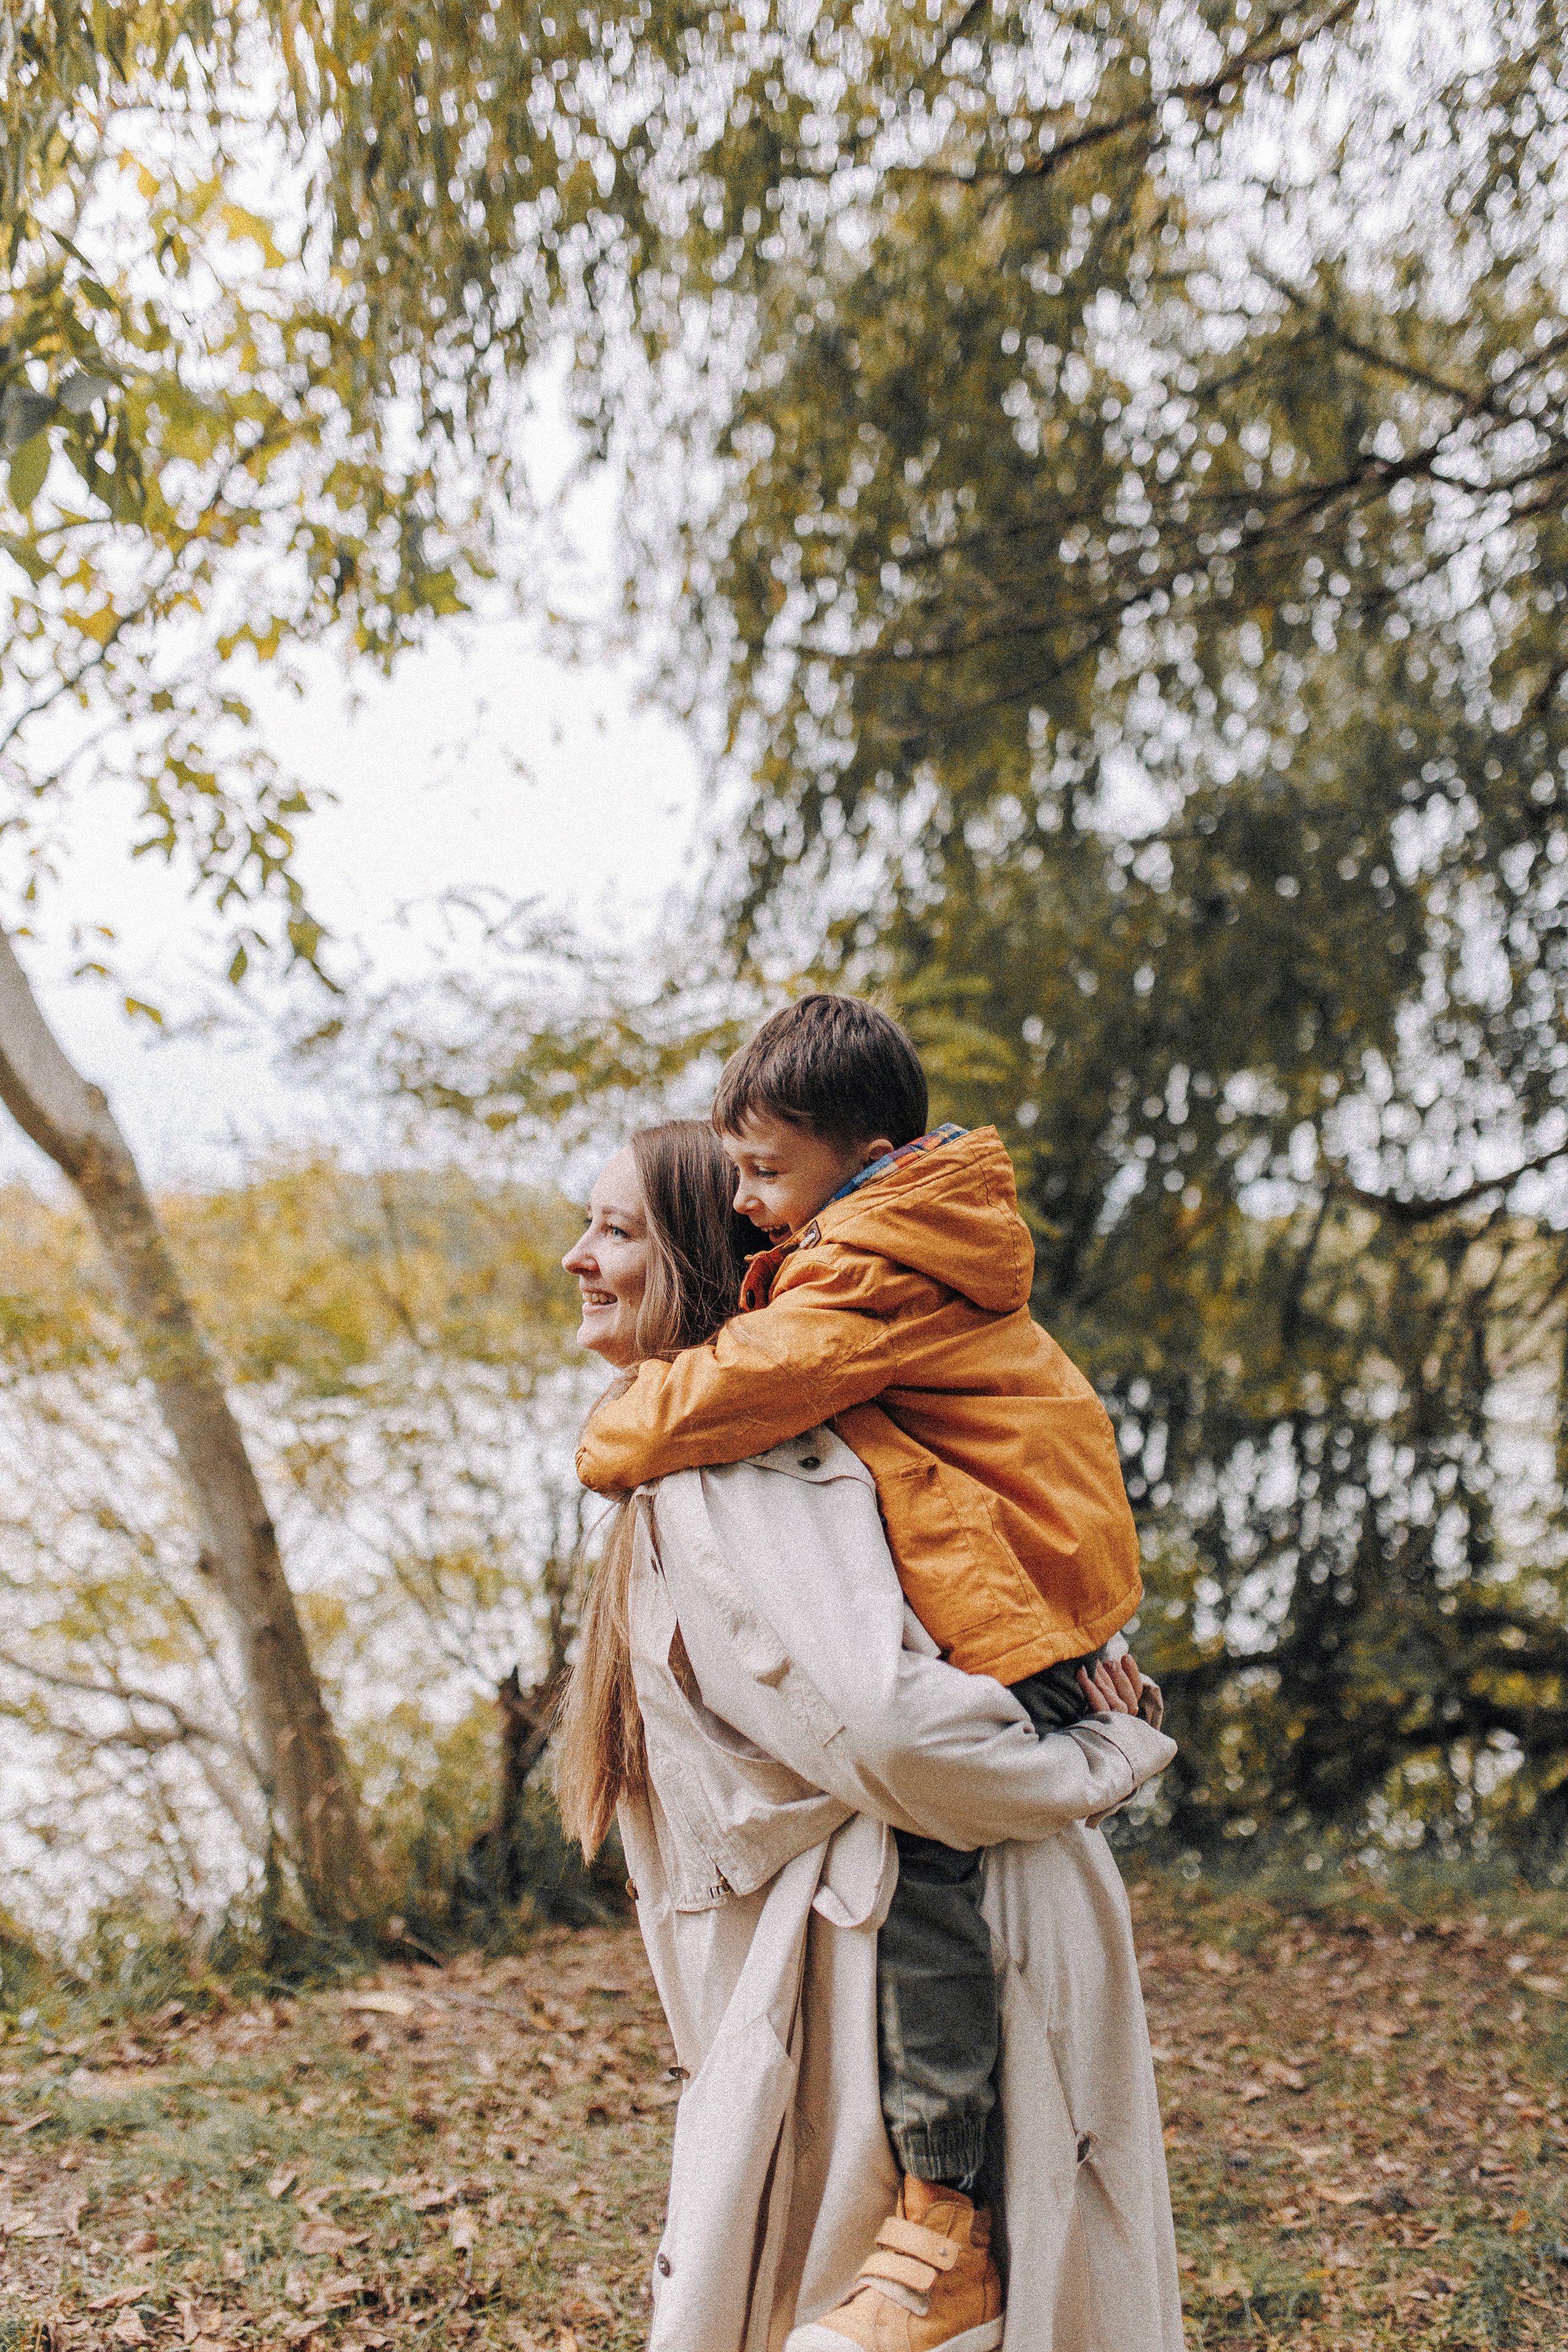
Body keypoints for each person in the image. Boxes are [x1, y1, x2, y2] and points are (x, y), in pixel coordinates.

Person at [574, 1001, 1152, 2341]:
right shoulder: (841, 1310)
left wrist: (1108, 1746)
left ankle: (944, 2210)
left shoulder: (790, 1388)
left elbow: (894, 1739)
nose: (576, 1257)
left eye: (615, 1231)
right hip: (857, 1930)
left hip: (890, 1931)